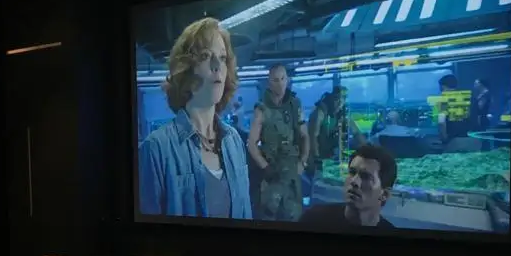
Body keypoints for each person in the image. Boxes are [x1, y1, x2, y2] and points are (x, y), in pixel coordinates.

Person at [138, 17, 251, 218]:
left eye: (222, 57)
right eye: (206, 56)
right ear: (186, 70)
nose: (217, 65)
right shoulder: (156, 149)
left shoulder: (234, 141)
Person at [247, 64, 309, 221]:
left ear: (287, 80)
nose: (280, 84)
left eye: (283, 79)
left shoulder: (295, 105)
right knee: (268, 216)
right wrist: (265, 167)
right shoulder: (261, 109)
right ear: (269, 82)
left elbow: (305, 136)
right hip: (272, 173)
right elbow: (252, 144)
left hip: (292, 173)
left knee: (294, 217)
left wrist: (303, 162)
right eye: (276, 80)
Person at [300, 143, 398, 230]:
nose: (354, 181)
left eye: (365, 177)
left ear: (384, 194)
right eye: (352, 172)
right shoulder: (313, 220)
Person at [436, 73, 469, 144]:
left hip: (453, 140)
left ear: (443, 86)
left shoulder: (443, 100)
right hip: (471, 139)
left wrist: (444, 139)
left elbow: (441, 122)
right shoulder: (467, 98)